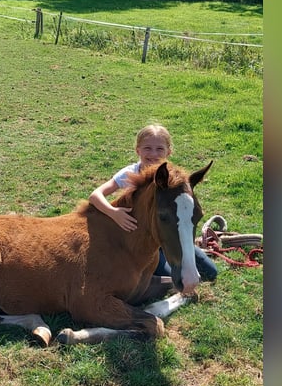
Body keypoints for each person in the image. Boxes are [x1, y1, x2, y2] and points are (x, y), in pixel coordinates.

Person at [88, 124, 218, 295]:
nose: (153, 154)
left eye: (159, 149)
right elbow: (95, 195)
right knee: (170, 276)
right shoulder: (129, 173)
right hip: (143, 240)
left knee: (211, 272)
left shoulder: (173, 179)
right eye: (147, 148)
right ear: (138, 150)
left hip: (169, 235)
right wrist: (114, 213)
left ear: (168, 152)